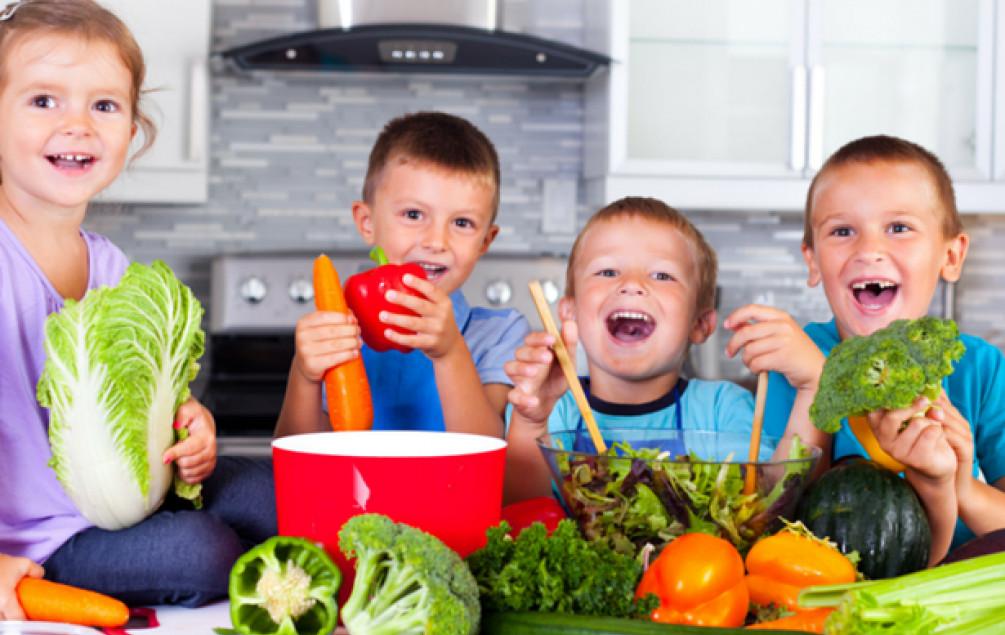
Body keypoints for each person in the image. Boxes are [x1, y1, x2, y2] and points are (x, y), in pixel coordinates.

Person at [0, 0, 274, 608]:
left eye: (104, 105)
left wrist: (191, 430)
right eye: (44, 100)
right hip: (34, 541)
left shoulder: (113, 267)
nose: (78, 125)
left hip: (124, 498)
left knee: (271, 496)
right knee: (201, 554)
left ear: (131, 129)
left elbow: (157, 402)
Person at [725, 135, 1005, 564]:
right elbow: (775, 516)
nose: (869, 250)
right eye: (842, 231)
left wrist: (959, 486)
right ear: (813, 260)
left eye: (899, 228)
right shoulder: (795, 362)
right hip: (823, 588)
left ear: (951, 255)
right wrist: (817, 387)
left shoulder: (981, 369)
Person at [276, 111, 530, 438]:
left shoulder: (501, 336)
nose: (436, 241)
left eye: (462, 223)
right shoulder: (341, 330)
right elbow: (299, 463)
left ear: (486, 241)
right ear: (367, 222)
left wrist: (450, 352)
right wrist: (304, 374)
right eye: (413, 214)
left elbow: (487, 456)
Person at [503, 197, 755, 502]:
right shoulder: (551, 413)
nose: (632, 284)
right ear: (570, 312)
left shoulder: (722, 411)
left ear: (700, 323)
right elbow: (522, 513)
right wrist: (530, 423)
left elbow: (755, 510)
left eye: (662, 275)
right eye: (608, 272)